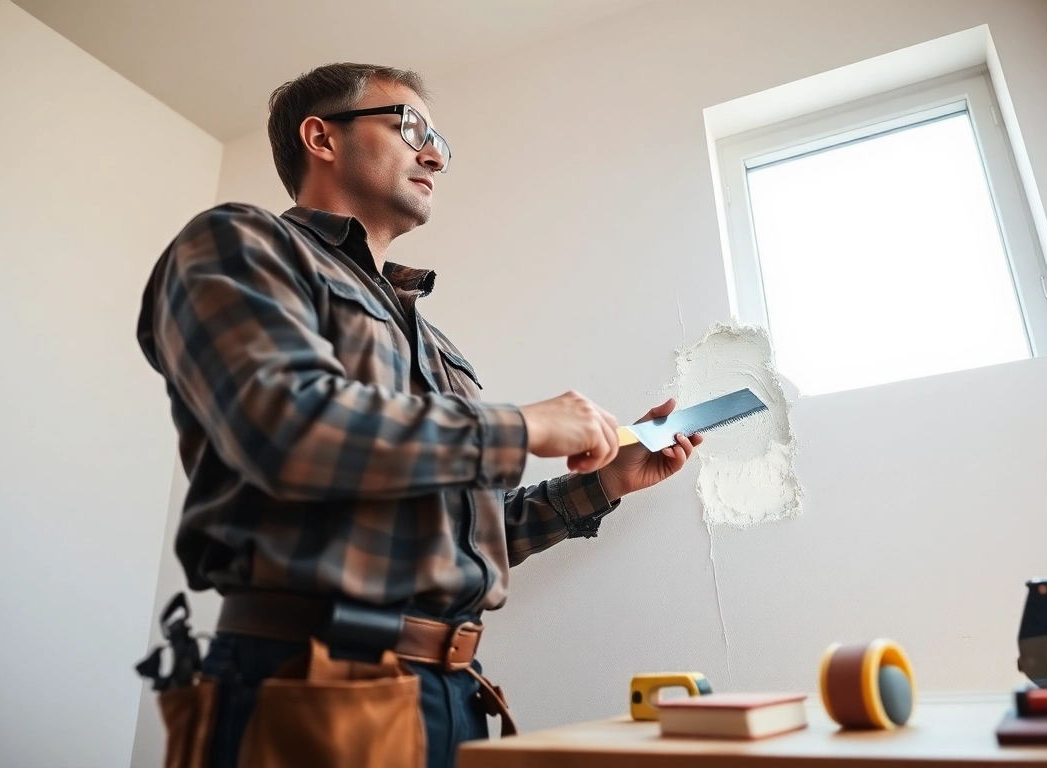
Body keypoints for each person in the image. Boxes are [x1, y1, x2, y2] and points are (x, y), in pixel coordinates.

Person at [136, 62, 702, 768]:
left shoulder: (437, 346)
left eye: (439, 142)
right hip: (306, 682)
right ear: (322, 137)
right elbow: (284, 425)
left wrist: (609, 481)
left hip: (454, 694)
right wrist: (521, 427)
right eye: (411, 128)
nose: (433, 154)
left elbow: (466, 535)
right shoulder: (239, 244)